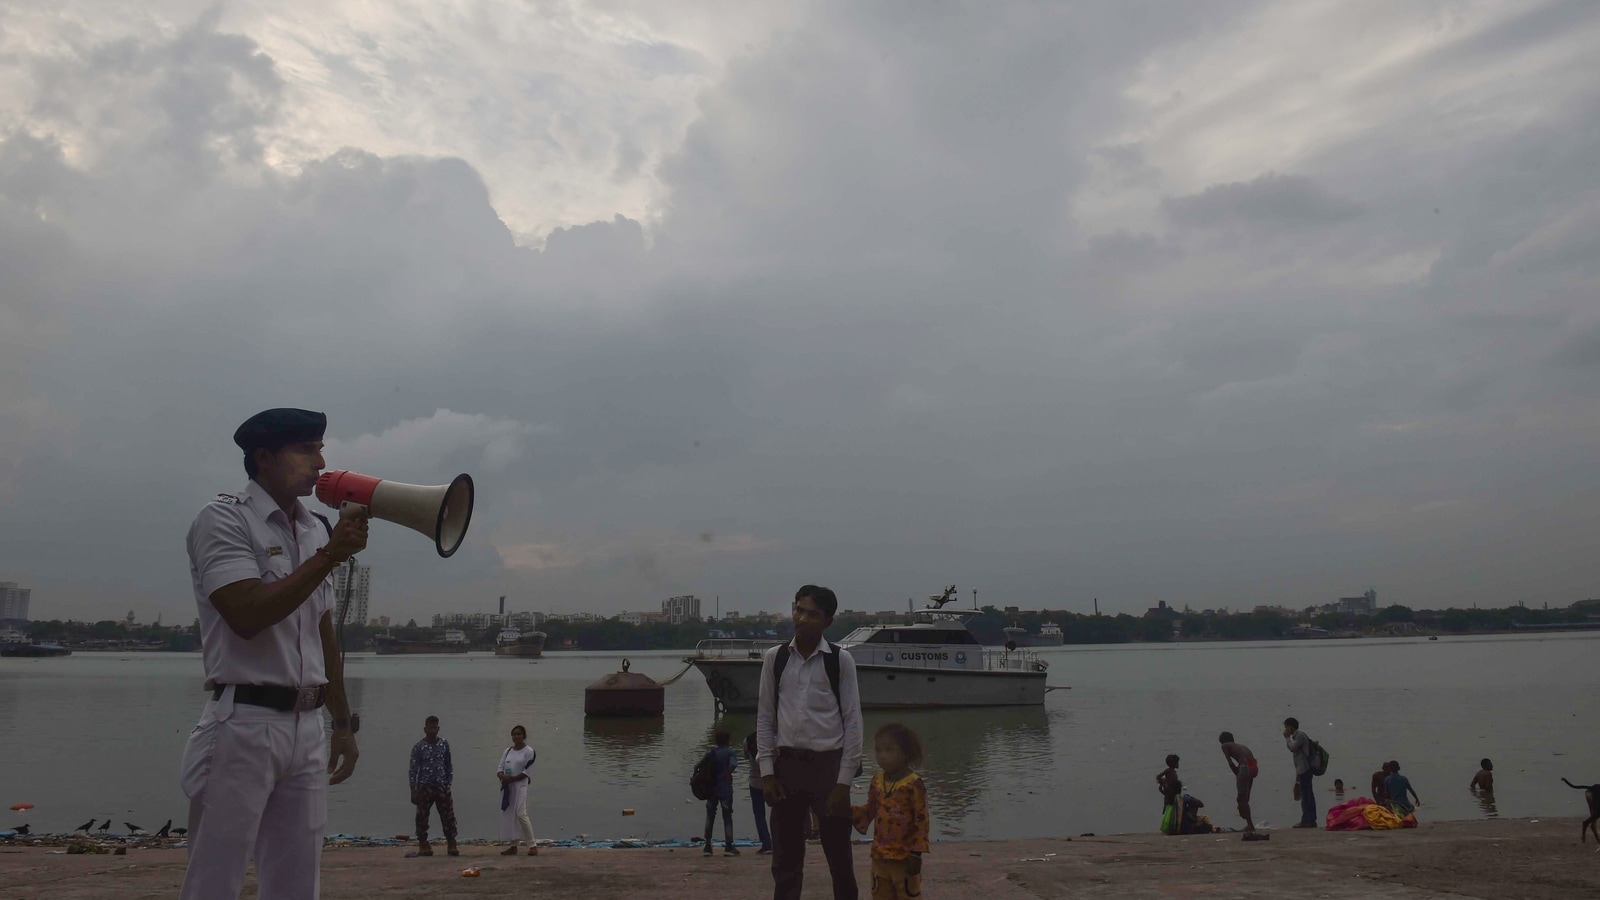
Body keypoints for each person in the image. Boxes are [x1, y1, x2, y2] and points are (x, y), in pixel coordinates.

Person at [179, 408, 366, 900]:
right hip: (242, 721)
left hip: (306, 725)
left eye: (320, 448)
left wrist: (342, 723)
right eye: (305, 449)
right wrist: (330, 557)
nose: (320, 461)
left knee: (297, 880)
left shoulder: (314, 528)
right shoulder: (222, 519)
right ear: (263, 457)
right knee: (215, 878)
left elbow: (324, 633)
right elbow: (246, 614)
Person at [757, 584, 864, 900]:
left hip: (828, 771)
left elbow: (853, 723)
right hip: (786, 767)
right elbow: (765, 719)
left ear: (828, 622)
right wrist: (767, 773)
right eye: (798, 610)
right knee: (786, 863)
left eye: (812, 614)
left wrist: (843, 783)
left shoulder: (839, 662)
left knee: (840, 860)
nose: (802, 619)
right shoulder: (774, 659)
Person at [852, 724, 930, 900]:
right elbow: (869, 811)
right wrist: (846, 811)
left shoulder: (913, 784)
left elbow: (921, 821)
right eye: (878, 750)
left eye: (889, 750)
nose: (882, 756)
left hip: (905, 858)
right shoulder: (877, 781)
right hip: (880, 857)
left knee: (907, 895)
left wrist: (916, 854)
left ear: (906, 753)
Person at [407, 716, 457, 858]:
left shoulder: (444, 744)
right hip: (424, 786)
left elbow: (448, 764)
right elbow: (413, 769)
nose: (432, 730)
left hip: (441, 785)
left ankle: (451, 842)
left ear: (438, 728)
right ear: (425, 729)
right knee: (422, 817)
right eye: (430, 728)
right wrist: (413, 789)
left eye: (435, 728)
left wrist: (448, 783)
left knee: (448, 816)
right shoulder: (418, 747)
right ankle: (423, 844)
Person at [498, 725, 537, 856]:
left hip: (521, 787)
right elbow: (500, 768)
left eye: (519, 734)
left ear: (524, 736)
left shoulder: (529, 751)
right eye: (514, 734)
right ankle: (513, 846)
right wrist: (503, 777)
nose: (516, 736)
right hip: (508, 788)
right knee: (510, 816)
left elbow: (527, 773)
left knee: (521, 814)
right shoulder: (508, 751)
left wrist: (512, 779)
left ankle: (532, 845)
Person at [703, 729, 741, 856]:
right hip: (725, 789)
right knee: (727, 817)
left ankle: (707, 846)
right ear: (728, 740)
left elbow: (698, 765)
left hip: (711, 789)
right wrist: (727, 773)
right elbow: (734, 765)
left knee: (710, 816)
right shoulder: (730, 752)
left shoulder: (711, 753)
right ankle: (729, 846)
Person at [1218, 732, 1257, 832]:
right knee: (1245, 797)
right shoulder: (1241, 746)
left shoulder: (1225, 745)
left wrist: (1237, 774)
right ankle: (1249, 822)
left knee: (1241, 798)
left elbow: (1230, 763)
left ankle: (1250, 825)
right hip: (1253, 766)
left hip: (1244, 767)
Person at [1283, 717, 1318, 828]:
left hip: (1305, 769)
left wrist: (1287, 738)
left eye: (1286, 727)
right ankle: (1310, 819)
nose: (1285, 730)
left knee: (1306, 795)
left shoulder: (1299, 736)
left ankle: (1307, 820)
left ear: (1290, 727)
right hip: (1302, 770)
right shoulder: (1298, 736)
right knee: (1307, 794)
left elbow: (1292, 748)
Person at [745, 731, 774, 853]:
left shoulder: (748, 740)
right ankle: (779, 841)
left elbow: (746, 756)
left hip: (755, 781)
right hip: (772, 781)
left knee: (759, 815)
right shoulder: (774, 738)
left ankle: (766, 843)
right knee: (778, 812)